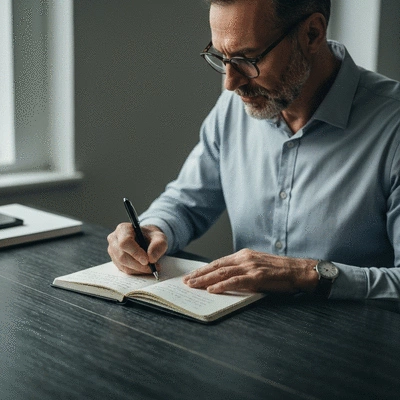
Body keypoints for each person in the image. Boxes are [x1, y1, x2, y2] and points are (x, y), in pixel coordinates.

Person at [107, 0, 400, 300]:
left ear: (312, 34)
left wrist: (307, 274)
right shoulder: (234, 107)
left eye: (248, 58)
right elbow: (186, 201)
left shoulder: (394, 127)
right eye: (222, 57)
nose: (231, 83)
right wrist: (154, 229)